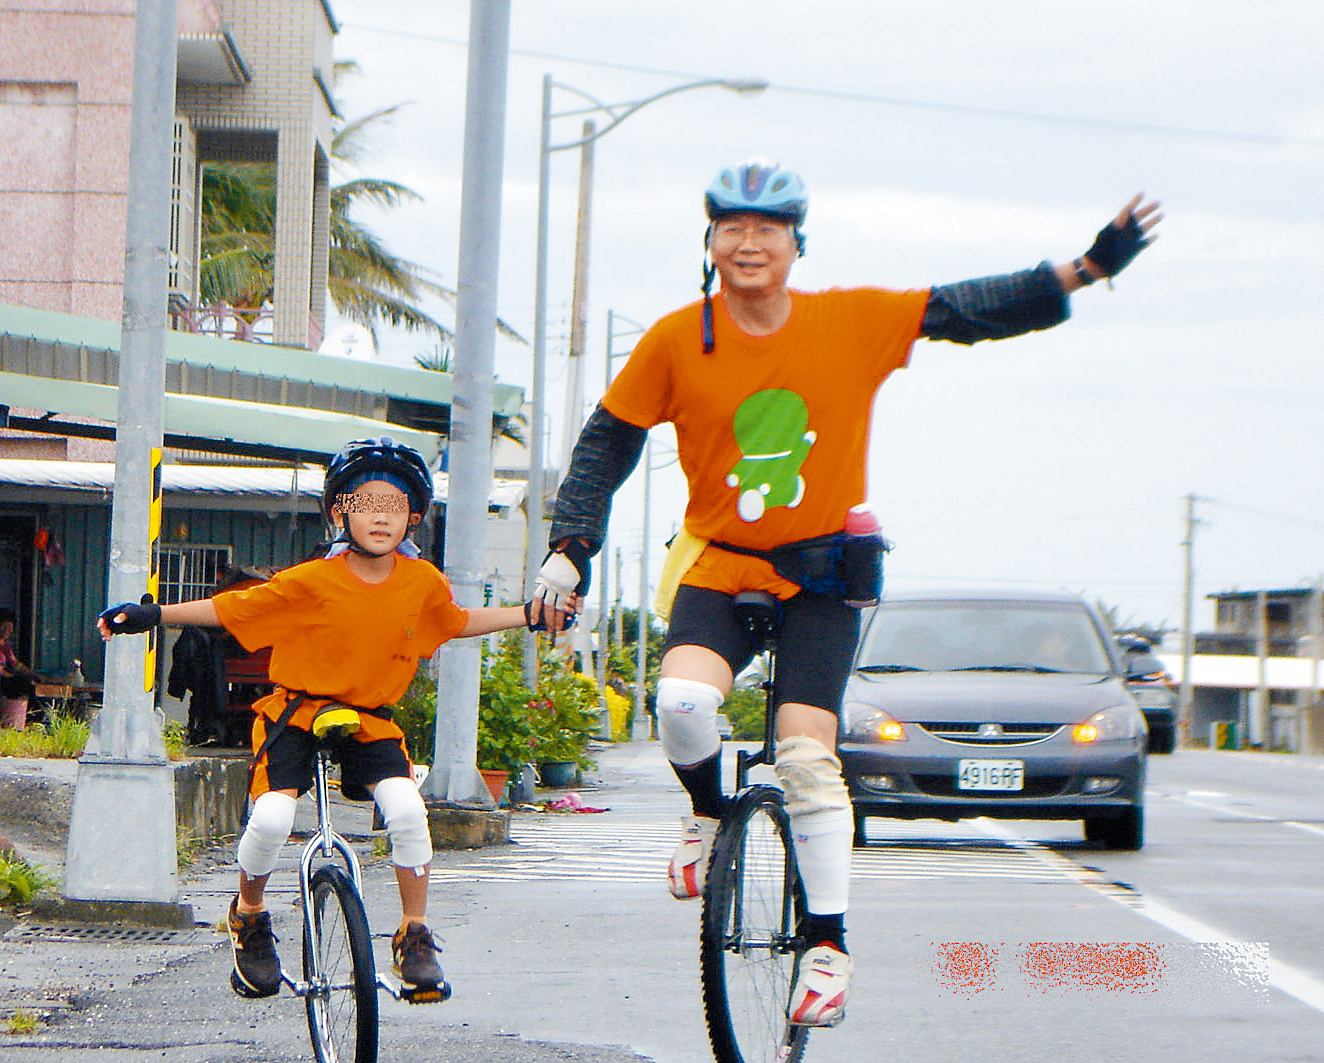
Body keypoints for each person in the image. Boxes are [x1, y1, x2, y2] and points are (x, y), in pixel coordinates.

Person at [531, 159, 1162, 1028]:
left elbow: (966, 307)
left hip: (822, 575)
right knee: (679, 699)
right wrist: (570, 549)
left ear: (796, 243)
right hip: (720, 561)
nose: (749, 243)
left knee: (804, 757)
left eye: (768, 230)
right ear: (710, 243)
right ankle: (709, 810)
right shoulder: (677, 338)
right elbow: (605, 447)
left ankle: (826, 947)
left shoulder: (849, 321)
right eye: (731, 229)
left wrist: (1084, 269)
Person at [99, 438, 572, 1001]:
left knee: (407, 810)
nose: (380, 516)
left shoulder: (423, 584)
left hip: (371, 722)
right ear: (339, 513)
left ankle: (413, 936)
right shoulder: (311, 581)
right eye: (365, 504)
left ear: (414, 519)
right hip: (294, 715)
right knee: (273, 817)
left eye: (395, 507)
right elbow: (233, 609)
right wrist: (152, 614)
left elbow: (458, 620)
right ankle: (248, 915)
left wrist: (528, 615)